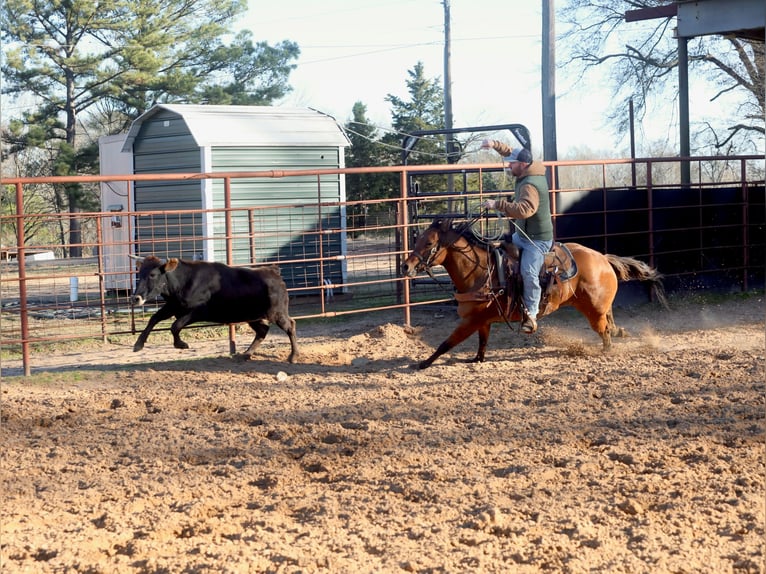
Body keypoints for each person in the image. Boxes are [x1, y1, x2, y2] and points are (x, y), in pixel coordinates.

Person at [481, 139, 553, 334]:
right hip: (523, 235)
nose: (509, 165)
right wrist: (493, 144)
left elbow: (526, 210)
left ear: (522, 165)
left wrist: (498, 205)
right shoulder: (527, 168)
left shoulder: (529, 184)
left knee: (529, 273)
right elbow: (510, 151)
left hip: (536, 240)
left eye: (511, 164)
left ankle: (531, 314)